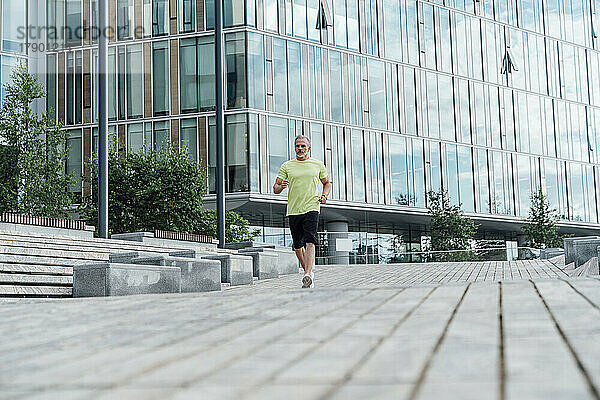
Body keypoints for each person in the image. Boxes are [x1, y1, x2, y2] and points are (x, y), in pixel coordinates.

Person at [273, 135, 331, 288]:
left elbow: (327, 183)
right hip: (293, 209)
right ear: (294, 148)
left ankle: (307, 273)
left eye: (303, 146)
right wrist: (281, 186)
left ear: (308, 148)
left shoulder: (317, 165)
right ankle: (309, 274)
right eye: (297, 146)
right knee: (298, 245)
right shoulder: (287, 166)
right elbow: (275, 189)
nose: (300, 149)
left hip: (312, 206)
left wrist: (324, 196)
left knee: (310, 240)